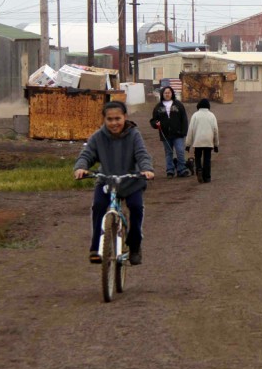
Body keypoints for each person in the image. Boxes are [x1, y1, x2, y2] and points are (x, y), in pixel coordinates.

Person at [73, 101, 154, 265]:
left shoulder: (134, 135)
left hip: (131, 182)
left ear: (125, 117)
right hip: (106, 181)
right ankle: (96, 247)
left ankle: (134, 245)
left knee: (136, 208)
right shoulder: (98, 137)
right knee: (98, 207)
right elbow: (86, 155)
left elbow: (142, 155)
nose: (114, 123)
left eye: (118, 118)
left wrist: (146, 170)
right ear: (104, 120)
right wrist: (81, 168)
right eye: (109, 119)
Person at [150, 86, 191, 178]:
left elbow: (184, 119)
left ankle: (181, 169)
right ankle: (170, 170)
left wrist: (184, 131)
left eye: (169, 92)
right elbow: (153, 120)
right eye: (165, 93)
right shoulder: (158, 107)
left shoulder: (179, 105)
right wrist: (156, 124)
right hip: (165, 134)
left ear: (172, 93)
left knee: (180, 151)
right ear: (162, 94)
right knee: (168, 153)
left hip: (178, 134)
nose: (167, 94)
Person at [186, 98, 219, 183]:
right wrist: (216, 145)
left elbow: (190, 130)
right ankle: (207, 177)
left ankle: (199, 170)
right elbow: (215, 130)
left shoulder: (195, 115)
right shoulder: (212, 115)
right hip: (208, 141)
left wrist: (188, 144)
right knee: (207, 159)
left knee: (197, 157)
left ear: (198, 106)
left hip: (198, 141)